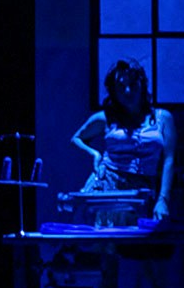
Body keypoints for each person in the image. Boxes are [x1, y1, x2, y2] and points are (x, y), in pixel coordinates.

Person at [70, 59, 177, 220]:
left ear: (142, 85)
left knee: (137, 240)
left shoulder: (163, 118)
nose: (127, 91)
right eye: (121, 86)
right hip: (108, 183)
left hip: (143, 188)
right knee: (103, 240)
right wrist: (95, 154)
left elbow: (169, 160)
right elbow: (76, 138)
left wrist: (163, 199)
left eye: (133, 84)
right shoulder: (106, 118)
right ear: (114, 90)